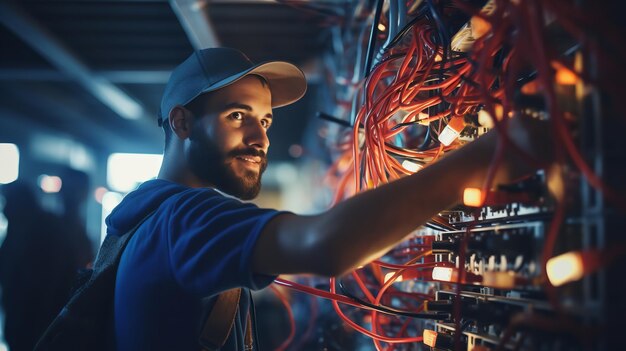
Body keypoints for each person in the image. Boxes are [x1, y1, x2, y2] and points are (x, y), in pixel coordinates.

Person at [107, 47, 547, 350]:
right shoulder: (184, 218)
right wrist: (486, 157)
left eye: (265, 121)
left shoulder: (145, 218)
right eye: (237, 115)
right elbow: (326, 246)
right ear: (182, 123)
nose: (260, 137)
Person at [0, 181, 77, 351]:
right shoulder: (20, 230)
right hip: (25, 321)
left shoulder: (44, 230)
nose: (4, 210)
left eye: (8, 202)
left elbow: (50, 280)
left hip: (38, 321)